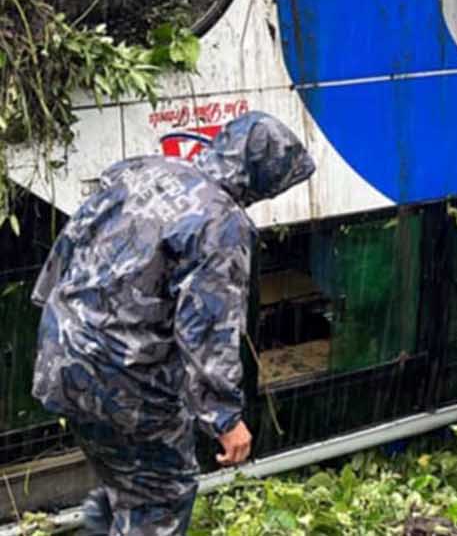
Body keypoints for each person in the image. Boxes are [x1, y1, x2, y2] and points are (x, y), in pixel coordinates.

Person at [31, 113, 316, 536]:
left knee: (130, 482)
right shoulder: (221, 222)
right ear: (263, 175)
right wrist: (225, 419)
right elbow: (205, 331)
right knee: (164, 495)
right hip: (124, 380)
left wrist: (58, 322)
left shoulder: (141, 170)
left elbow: (71, 240)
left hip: (61, 354)